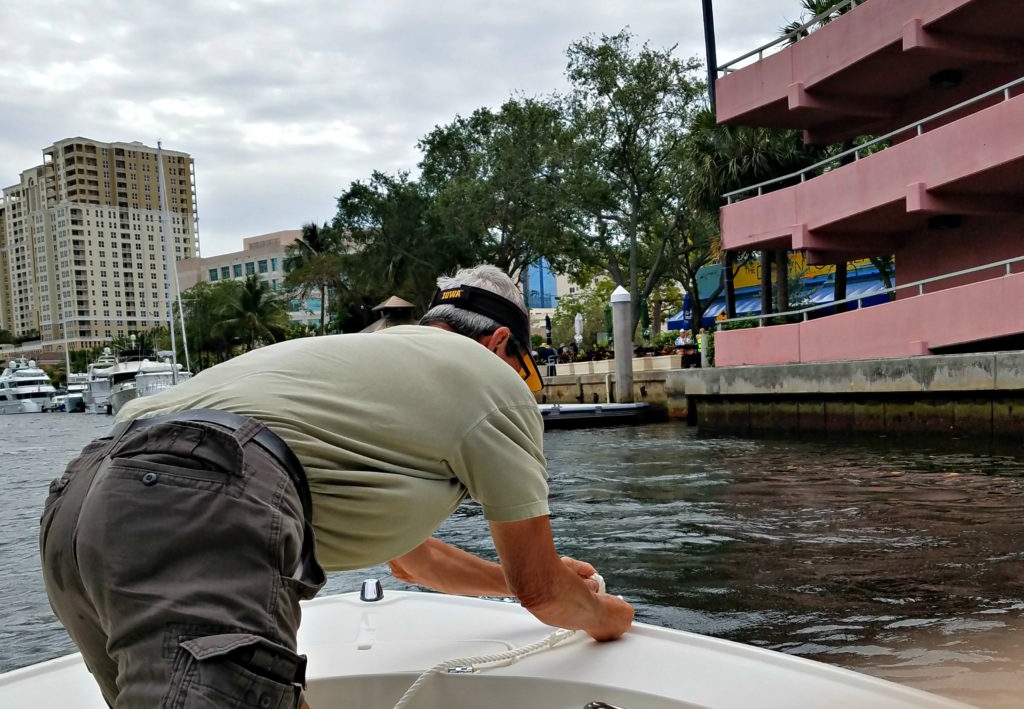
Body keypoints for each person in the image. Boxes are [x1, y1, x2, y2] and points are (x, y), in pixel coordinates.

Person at [40, 264, 633, 708]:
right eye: (522, 367)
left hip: (83, 499)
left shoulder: (360, 367)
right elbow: (543, 592)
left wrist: (508, 582)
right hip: (199, 495)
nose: (521, 383)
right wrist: (607, 615)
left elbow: (415, 564)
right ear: (502, 345)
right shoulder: (489, 381)